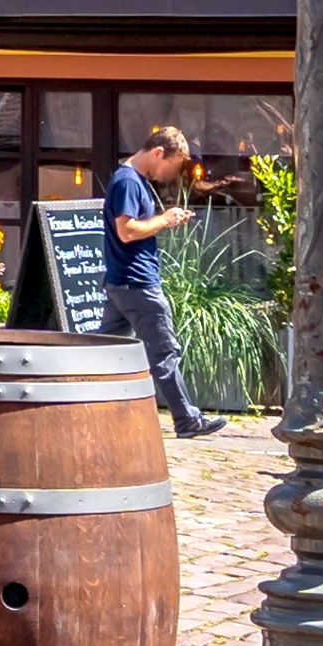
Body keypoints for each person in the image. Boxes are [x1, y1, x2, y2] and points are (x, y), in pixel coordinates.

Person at [108, 119, 230, 439]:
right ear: (159, 152)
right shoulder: (128, 182)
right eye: (172, 166)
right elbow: (127, 230)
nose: (171, 175)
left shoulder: (131, 180)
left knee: (102, 348)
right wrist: (163, 219)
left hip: (122, 282)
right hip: (137, 282)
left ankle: (81, 404)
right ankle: (186, 419)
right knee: (164, 351)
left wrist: (167, 218)